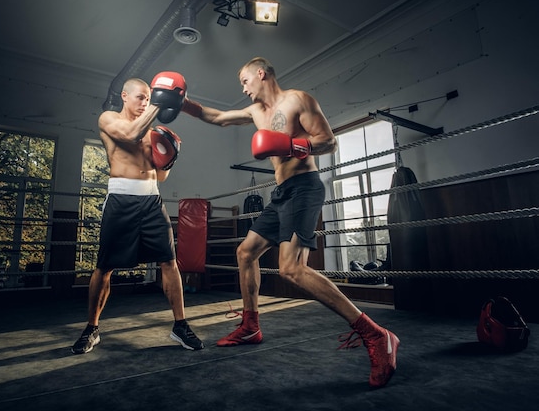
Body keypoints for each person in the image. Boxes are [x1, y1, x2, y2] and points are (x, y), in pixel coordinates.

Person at [178, 57, 399, 388]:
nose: (242, 86)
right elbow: (219, 117)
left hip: (305, 188)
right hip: (282, 193)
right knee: (245, 252)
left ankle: (377, 335)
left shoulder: (298, 100)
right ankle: (251, 325)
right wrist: (183, 104)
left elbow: (328, 141)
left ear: (261, 74)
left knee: (291, 269)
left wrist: (292, 144)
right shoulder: (255, 112)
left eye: (244, 79)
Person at [71, 76, 204, 354]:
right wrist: (161, 99)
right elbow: (130, 134)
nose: (145, 102)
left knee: (169, 263)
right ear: (124, 96)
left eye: (149, 97)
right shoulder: (109, 119)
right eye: (141, 97)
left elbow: (162, 176)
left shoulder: (153, 131)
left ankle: (180, 325)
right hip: (121, 198)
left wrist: (170, 156)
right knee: (105, 266)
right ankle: (91, 328)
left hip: (152, 199)